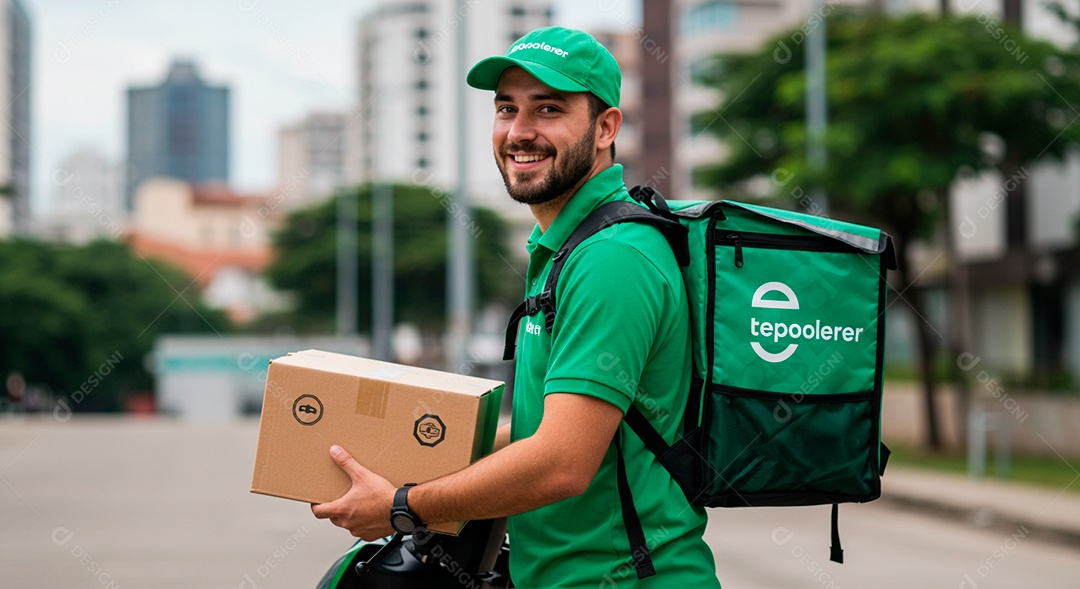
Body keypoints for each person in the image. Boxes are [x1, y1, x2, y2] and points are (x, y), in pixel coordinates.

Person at [312, 26, 721, 588]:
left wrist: (402, 505)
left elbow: (561, 462)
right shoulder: (564, 249)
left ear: (606, 128)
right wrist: (407, 454)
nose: (519, 132)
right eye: (507, 109)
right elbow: (540, 430)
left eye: (548, 109)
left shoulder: (612, 259)